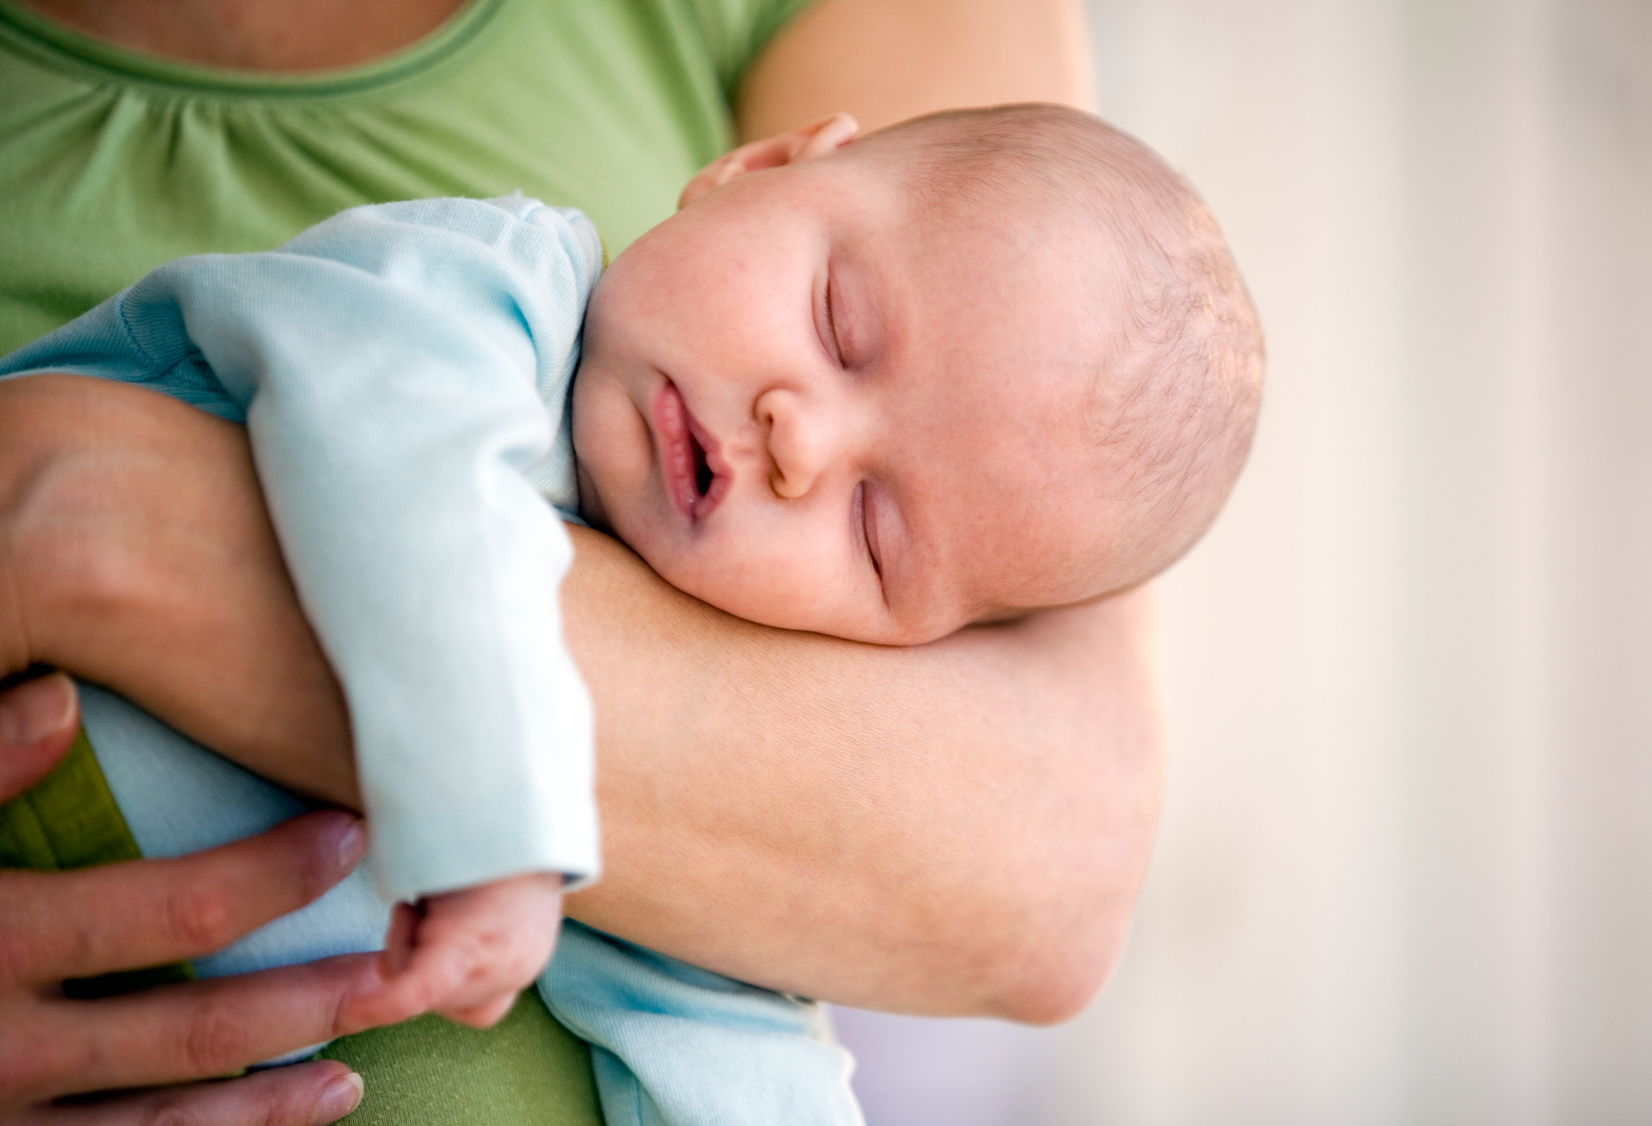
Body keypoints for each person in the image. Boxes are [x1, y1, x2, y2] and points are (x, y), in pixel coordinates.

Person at [0, 0, 1169, 1122]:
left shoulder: (716, 682)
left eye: (873, 530)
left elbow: (723, 1039)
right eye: (837, 325)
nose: (801, 442)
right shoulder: (494, 289)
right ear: (756, 172)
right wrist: (498, 825)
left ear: (903, 643)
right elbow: (402, 469)